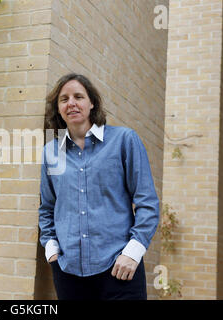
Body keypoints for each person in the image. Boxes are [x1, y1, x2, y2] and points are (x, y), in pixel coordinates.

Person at [39, 73, 160, 300]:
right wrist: (52, 250)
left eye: (78, 96)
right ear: (58, 108)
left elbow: (147, 202)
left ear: (92, 102)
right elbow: (47, 207)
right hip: (68, 273)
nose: (72, 103)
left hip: (120, 268)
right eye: (64, 99)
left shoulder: (124, 141)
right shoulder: (50, 153)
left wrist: (133, 253)